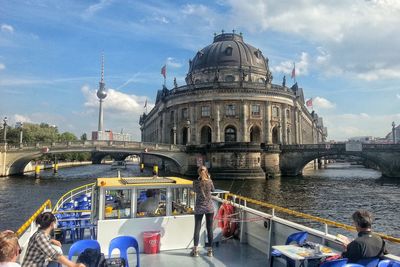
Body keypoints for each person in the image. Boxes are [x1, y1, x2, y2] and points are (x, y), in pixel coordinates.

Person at [190, 166, 215, 257]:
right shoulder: (209, 182)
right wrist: (209, 178)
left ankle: (195, 250)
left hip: (199, 207)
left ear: (198, 172)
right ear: (207, 172)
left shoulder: (195, 182)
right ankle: (210, 251)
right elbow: (213, 190)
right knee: (209, 229)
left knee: (197, 228)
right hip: (209, 208)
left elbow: (194, 191)